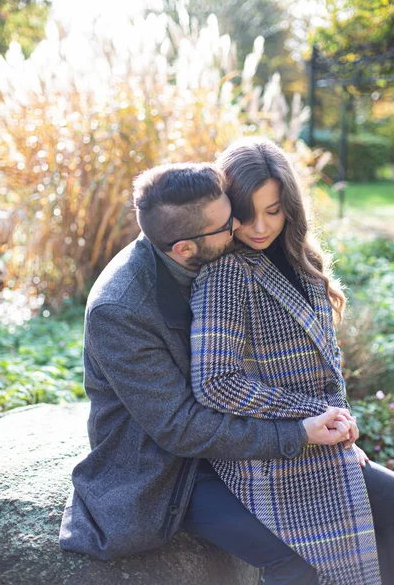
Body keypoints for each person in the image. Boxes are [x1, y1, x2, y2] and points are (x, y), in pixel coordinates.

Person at [58, 162, 354, 579]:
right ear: (184, 248)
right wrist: (298, 434)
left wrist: (327, 423)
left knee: (378, 506)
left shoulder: (209, 256)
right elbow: (178, 429)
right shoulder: (120, 309)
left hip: (234, 446)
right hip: (167, 473)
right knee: (301, 554)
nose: (240, 226)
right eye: (227, 223)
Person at [189, 138, 394, 585]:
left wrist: (339, 425)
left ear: (291, 207)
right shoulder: (226, 273)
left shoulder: (304, 259)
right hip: (267, 455)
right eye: (246, 213)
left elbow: (329, 360)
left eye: (274, 210)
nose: (260, 227)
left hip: (321, 440)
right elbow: (215, 381)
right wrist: (316, 416)